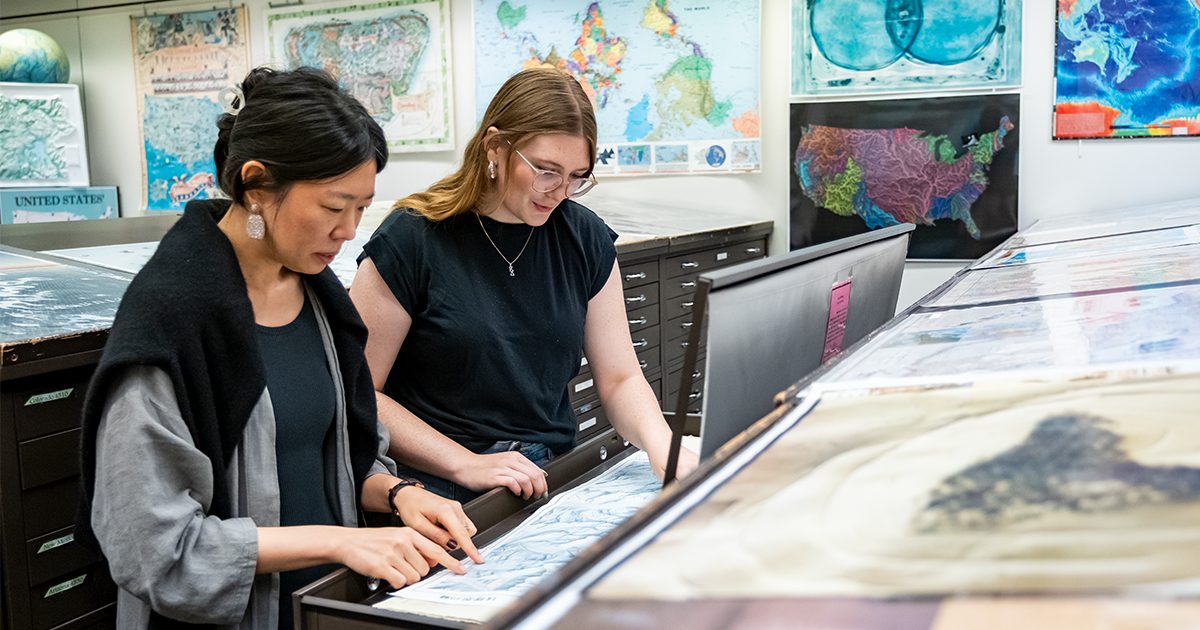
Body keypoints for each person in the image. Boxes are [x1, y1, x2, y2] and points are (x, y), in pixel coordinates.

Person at [76, 67, 483, 630]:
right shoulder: (173, 320)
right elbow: (153, 549)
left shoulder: (321, 301)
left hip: (322, 608)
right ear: (256, 184)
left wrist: (398, 494)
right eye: (334, 207)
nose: (349, 231)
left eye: (362, 208)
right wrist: (339, 543)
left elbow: (329, 461)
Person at [349, 68, 699, 503]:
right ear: (495, 147)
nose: (559, 192)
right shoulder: (413, 238)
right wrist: (465, 463)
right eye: (546, 171)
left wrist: (660, 442)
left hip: (545, 473)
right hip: (436, 487)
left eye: (577, 177)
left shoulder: (584, 237)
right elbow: (359, 392)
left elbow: (620, 378)